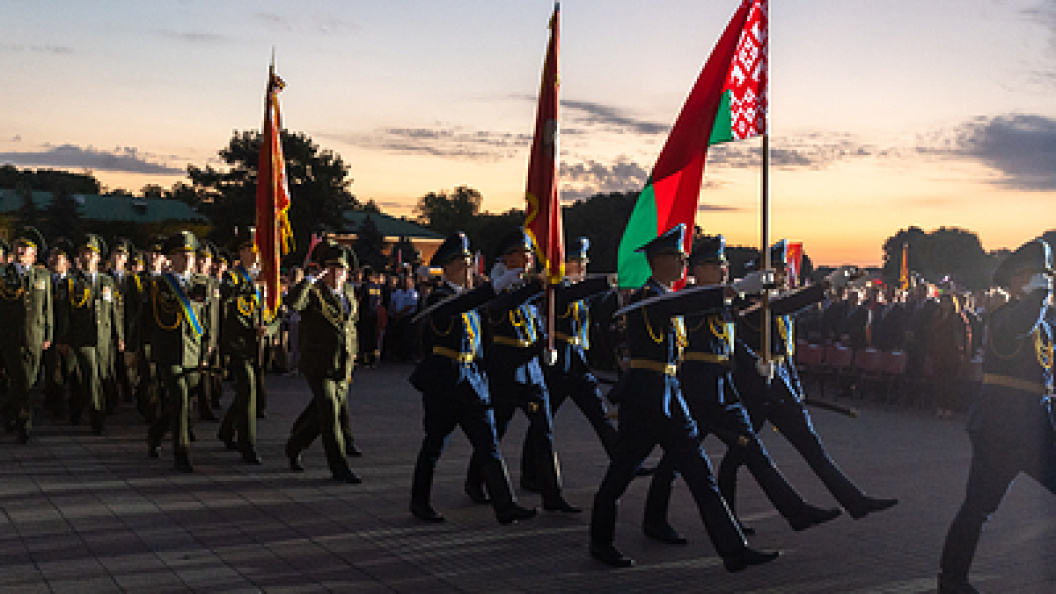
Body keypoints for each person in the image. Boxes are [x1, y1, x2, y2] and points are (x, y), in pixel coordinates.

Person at [589, 224, 779, 571]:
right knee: (620, 475)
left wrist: (735, 292)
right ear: (660, 260)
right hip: (646, 400)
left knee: (700, 475)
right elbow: (681, 303)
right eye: (679, 257)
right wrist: (732, 288)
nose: (684, 262)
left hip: (671, 398)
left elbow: (689, 303)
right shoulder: (648, 297)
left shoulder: (669, 296)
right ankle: (600, 542)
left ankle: (733, 550)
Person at [642, 235, 841, 544]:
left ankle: (796, 511)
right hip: (697, 392)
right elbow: (698, 309)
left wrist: (821, 288)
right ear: (698, 269)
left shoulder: (721, 300)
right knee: (681, 461)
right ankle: (655, 520)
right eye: (716, 264)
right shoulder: (690, 298)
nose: (724, 269)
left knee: (744, 452)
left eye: (724, 264)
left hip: (722, 390)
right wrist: (734, 290)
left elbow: (769, 312)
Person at [719, 241, 898, 528]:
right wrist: (827, 284)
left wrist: (794, 384)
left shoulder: (776, 301)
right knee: (738, 455)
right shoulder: (747, 302)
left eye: (784, 270)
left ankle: (854, 500)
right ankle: (726, 518)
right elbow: (777, 309)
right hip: (754, 389)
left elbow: (785, 338)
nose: (784, 275)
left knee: (812, 447)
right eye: (779, 270)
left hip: (781, 384)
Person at [938, 239, 1054, 594]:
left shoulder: (1045, 325)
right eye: (1036, 276)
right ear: (1019, 281)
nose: (1043, 283)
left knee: (976, 508)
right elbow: (1021, 322)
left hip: (1034, 428)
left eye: (1045, 275)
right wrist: (1037, 296)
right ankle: (952, 579)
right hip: (1001, 431)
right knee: (977, 508)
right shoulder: (1004, 317)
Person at [408, 231, 537, 525]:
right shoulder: (440, 299)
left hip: (473, 382)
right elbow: (463, 306)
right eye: (465, 263)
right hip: (445, 384)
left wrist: (532, 287)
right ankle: (419, 501)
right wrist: (496, 285)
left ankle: (505, 505)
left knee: (489, 445)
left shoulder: (467, 298)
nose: (470, 269)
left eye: (471, 262)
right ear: (451, 267)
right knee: (434, 446)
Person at [464, 229, 586, 513]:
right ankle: (474, 481)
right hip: (506, 371)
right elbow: (501, 307)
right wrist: (533, 288)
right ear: (507, 258)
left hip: (532, 371)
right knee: (496, 431)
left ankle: (552, 495)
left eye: (530, 254)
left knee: (545, 433)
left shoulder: (530, 289)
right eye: (522, 254)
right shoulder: (498, 287)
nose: (529, 259)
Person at [519, 237, 620, 491]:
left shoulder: (581, 289)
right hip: (557, 363)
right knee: (543, 421)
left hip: (578, 362)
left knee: (600, 416)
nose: (583, 267)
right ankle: (529, 473)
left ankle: (622, 460)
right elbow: (570, 295)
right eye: (577, 262)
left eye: (584, 262)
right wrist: (605, 281)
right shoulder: (557, 289)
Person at [284, 241, 363, 484]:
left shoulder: (348, 292)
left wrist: (354, 352)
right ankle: (339, 467)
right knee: (330, 414)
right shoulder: (314, 292)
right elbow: (293, 304)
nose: (336, 274)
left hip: (343, 362)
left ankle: (295, 445)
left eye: (341, 269)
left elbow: (350, 326)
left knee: (321, 413)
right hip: (319, 363)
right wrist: (309, 280)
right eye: (331, 268)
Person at [145, 231, 214, 472]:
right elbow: (143, 319)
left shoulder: (202, 284)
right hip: (168, 352)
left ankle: (155, 433)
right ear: (170, 258)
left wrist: (206, 353)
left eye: (190, 256)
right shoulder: (158, 285)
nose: (187, 260)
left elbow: (206, 323)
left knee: (181, 402)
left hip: (193, 353)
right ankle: (181, 453)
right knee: (181, 398)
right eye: (181, 255)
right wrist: (134, 350)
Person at [218, 228, 279, 464]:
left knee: (246, 393)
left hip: (259, 345)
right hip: (239, 343)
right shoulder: (233, 277)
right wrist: (252, 283)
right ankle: (248, 445)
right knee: (249, 388)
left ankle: (226, 430)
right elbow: (226, 294)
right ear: (241, 253)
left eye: (258, 251)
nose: (254, 256)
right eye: (250, 251)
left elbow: (276, 313)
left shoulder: (269, 280)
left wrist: (270, 329)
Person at [55, 234, 124, 435]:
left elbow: (114, 312)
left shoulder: (107, 282)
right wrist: (64, 339)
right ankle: (97, 417)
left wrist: (119, 336)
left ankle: (78, 408)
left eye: (92, 253)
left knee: (98, 377)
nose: (88, 257)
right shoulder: (71, 282)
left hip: (103, 338)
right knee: (91, 374)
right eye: (85, 253)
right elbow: (65, 313)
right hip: (81, 337)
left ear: (98, 257)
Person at [0, 227, 52, 443]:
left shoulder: (43, 276)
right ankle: (24, 424)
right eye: (19, 246)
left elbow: (47, 308)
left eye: (27, 248)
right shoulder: (4, 274)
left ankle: (9, 410)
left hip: (35, 335)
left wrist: (48, 333)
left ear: (35, 254)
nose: (22, 251)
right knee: (20, 379)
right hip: (10, 336)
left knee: (29, 381)